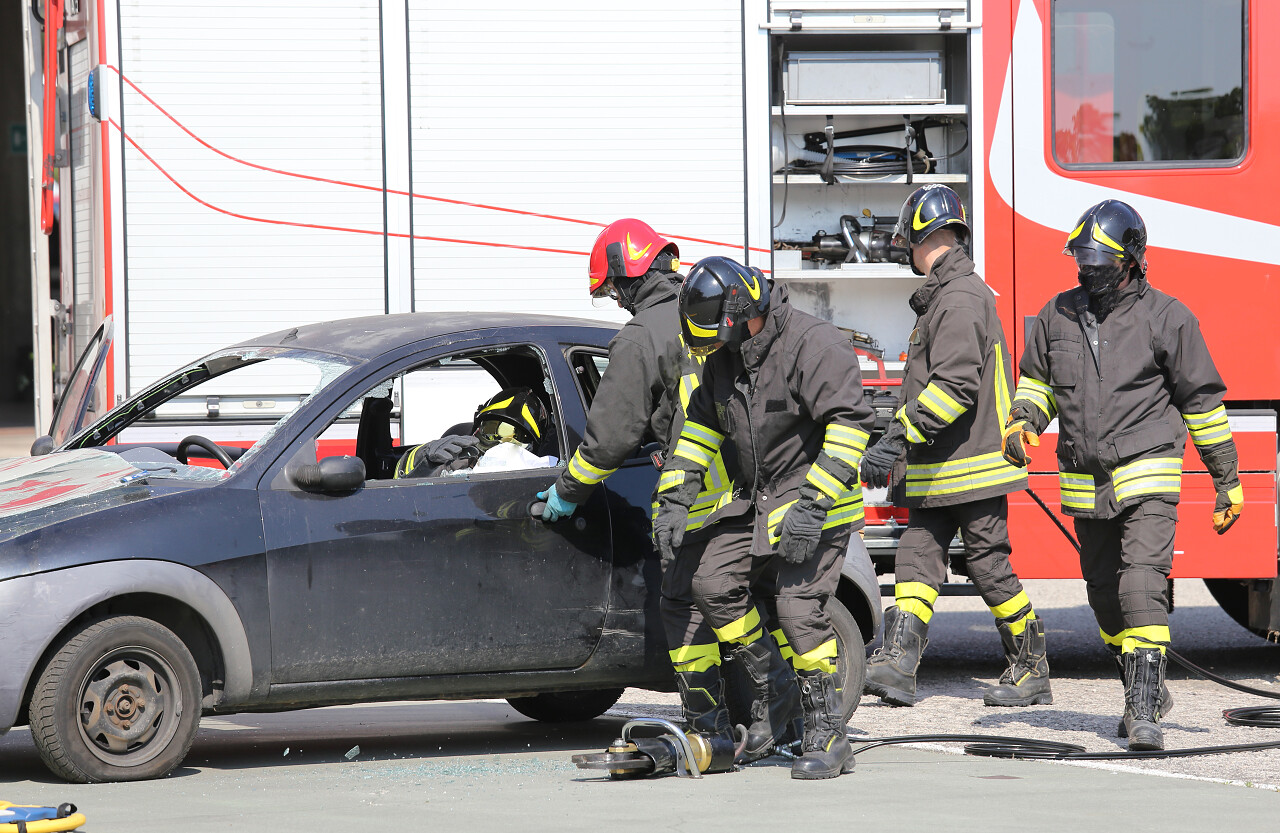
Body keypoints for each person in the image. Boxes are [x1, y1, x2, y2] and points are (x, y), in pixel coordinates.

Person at [532, 220, 799, 770]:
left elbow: (608, 437)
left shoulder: (641, 335)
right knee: (756, 604)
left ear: (626, 279)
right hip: (765, 491)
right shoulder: (717, 307)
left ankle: (713, 728)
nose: (614, 301)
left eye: (612, 290)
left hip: (699, 497)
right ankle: (780, 720)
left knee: (683, 605)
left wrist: (567, 492)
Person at [1004, 199, 1243, 751]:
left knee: (1140, 587)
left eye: (1099, 259)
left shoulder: (1168, 317)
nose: (1087, 269)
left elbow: (1201, 403)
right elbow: (1036, 385)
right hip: (1085, 482)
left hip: (1148, 471)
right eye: (1082, 258)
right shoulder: (1055, 315)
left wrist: (1226, 480)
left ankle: (1141, 713)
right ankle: (1148, 687)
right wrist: (1023, 425)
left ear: (1131, 259)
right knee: (1105, 599)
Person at [654, 256, 875, 780]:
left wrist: (815, 505)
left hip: (820, 502)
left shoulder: (814, 345)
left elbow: (850, 427)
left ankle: (827, 733)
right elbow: (698, 435)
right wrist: (673, 502)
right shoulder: (726, 359)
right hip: (763, 502)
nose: (711, 348)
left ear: (740, 312)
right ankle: (775, 688)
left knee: (798, 609)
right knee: (710, 582)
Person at [858, 184, 1050, 709]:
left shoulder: (960, 296)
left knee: (988, 565)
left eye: (907, 243)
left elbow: (954, 387)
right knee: (918, 557)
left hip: (969, 466)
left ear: (923, 237)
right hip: (945, 466)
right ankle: (899, 663)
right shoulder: (949, 294)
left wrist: (895, 437)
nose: (906, 254)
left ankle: (1031, 669)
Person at [394, 387, 555, 478]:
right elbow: (400, 492)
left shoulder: (540, 483)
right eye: (492, 430)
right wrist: (423, 459)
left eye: (516, 437)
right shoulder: (452, 458)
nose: (502, 443)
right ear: (476, 429)